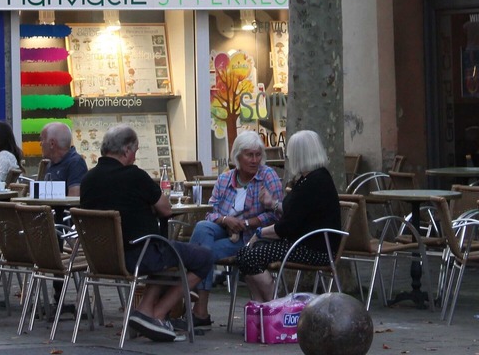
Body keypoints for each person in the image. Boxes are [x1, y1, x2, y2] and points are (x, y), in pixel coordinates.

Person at [80, 125, 213, 343]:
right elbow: (166, 209)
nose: (135, 157)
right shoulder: (135, 176)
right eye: (135, 151)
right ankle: (159, 313)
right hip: (138, 255)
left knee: (164, 253)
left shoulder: (88, 180)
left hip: (101, 258)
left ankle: (144, 311)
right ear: (125, 151)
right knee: (203, 257)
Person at [186, 130, 284, 327]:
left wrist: (248, 223)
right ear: (237, 156)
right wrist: (225, 219)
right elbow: (210, 212)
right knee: (203, 227)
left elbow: (276, 215)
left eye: (258, 155)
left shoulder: (268, 176)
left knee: (204, 252)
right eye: (249, 155)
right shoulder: (225, 179)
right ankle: (199, 307)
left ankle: (197, 305)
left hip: (251, 238)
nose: (254, 160)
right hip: (224, 230)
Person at [236, 130, 342, 303]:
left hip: (313, 249)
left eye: (291, 153)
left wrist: (260, 233)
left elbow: (285, 228)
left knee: (250, 256)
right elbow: (296, 211)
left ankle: (274, 305)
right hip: (307, 244)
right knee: (245, 255)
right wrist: (273, 204)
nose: (289, 157)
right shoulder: (313, 178)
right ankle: (261, 308)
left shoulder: (313, 183)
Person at [40, 121, 87, 195]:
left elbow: (74, 200)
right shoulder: (50, 163)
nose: (40, 144)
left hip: (60, 207)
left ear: (52, 143)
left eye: (42, 140)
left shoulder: (76, 163)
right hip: (46, 206)